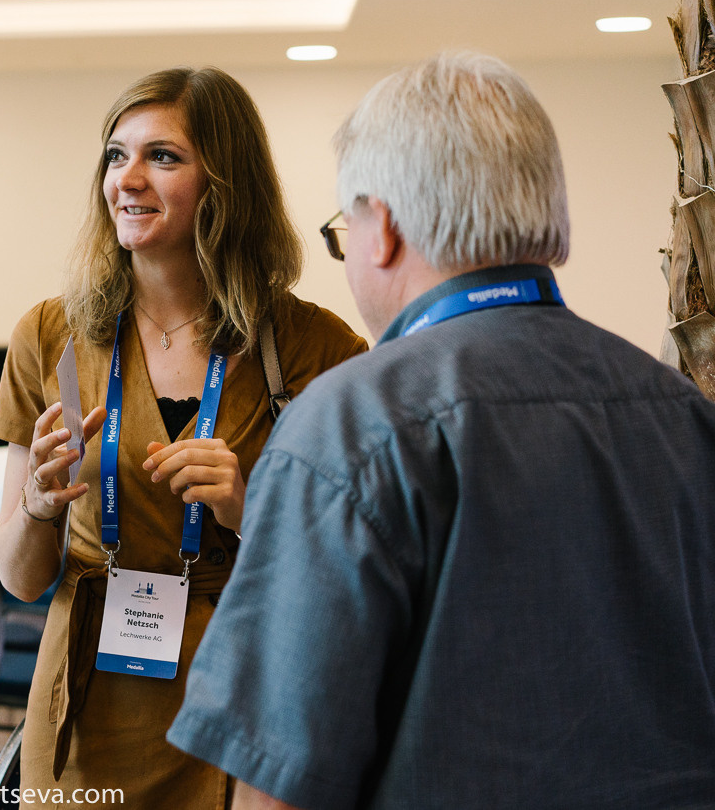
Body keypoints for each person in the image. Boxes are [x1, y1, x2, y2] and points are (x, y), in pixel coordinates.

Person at [168, 51, 715, 809]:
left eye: (344, 229)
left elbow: (278, 786)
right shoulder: (683, 417)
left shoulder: (349, 426)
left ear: (382, 228)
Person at [0, 66, 368, 807]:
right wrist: (36, 505)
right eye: (115, 155)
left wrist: (247, 509)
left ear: (225, 184)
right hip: (86, 708)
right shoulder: (51, 335)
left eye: (163, 157)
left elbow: (352, 573)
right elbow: (20, 579)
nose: (128, 179)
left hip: (246, 701)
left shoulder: (314, 348)